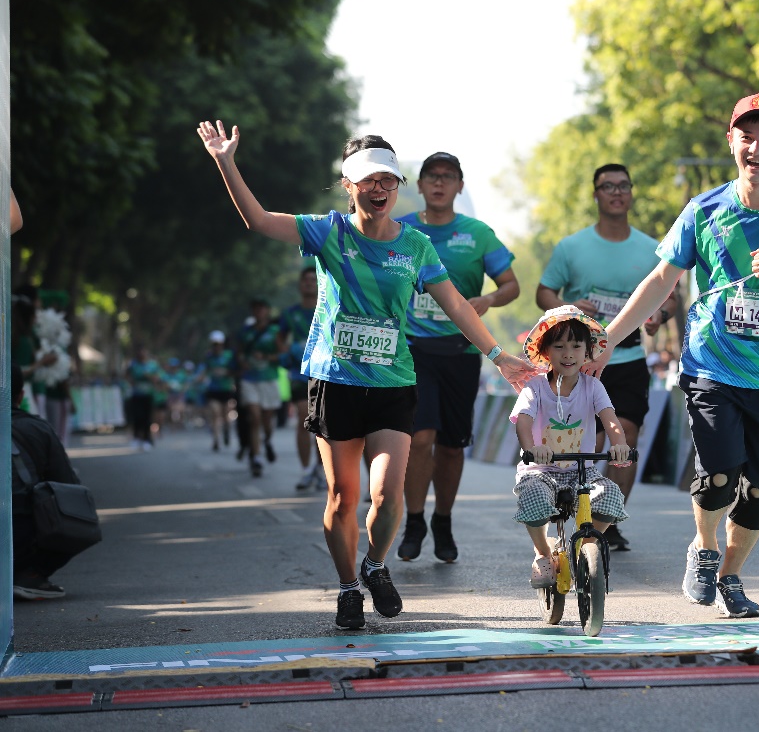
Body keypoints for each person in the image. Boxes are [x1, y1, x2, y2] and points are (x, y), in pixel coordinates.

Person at [197, 119, 535, 630]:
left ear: (398, 187)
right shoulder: (326, 232)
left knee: (387, 495)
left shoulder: (416, 246)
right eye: (368, 180)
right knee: (342, 497)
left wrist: (497, 354)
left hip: (393, 383)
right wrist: (226, 162)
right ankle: (348, 586)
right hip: (335, 382)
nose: (379, 189)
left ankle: (375, 565)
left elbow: (458, 306)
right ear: (349, 185)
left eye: (388, 179)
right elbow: (260, 220)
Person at [587, 92, 759, 617]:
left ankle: (732, 577)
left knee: (757, 495)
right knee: (717, 476)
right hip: (711, 364)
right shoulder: (703, 209)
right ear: (730, 142)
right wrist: (609, 338)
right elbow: (661, 278)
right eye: (747, 137)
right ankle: (706, 548)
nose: (756, 148)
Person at [536, 163, 677, 551]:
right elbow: (543, 293)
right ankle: (570, 512)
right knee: (580, 442)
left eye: (623, 186)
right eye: (607, 186)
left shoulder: (652, 248)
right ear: (596, 194)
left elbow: (670, 296)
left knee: (624, 441)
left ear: (631, 193)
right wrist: (566, 305)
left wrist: (658, 316)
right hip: (577, 364)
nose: (616, 192)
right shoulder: (571, 247)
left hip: (629, 359)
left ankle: (606, 522)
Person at [396, 152, 520, 563]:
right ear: (420, 184)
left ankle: (442, 520)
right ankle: (414, 519)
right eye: (432, 176)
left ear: (460, 186)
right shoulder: (401, 229)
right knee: (420, 437)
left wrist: (486, 299)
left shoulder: (477, 233)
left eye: (448, 177)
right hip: (413, 349)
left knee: (451, 445)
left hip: (462, 351)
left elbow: (511, 285)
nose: (439, 183)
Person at [511, 306, 630, 587]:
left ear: (588, 352)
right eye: (560, 346)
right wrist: (532, 448)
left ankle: (587, 545)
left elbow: (610, 420)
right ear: (545, 352)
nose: (568, 354)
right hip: (541, 469)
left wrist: (620, 444)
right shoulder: (535, 387)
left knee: (610, 494)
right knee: (535, 497)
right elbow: (524, 422)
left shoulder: (593, 386)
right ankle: (542, 553)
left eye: (576, 346)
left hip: (581, 470)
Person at [10, 367, 86, 600]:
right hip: (19, 538)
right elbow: (69, 485)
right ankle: (31, 574)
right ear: (21, 396)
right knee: (78, 514)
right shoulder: (37, 428)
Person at [281, 267, 325, 491]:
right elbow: (279, 339)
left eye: (312, 279)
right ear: (300, 285)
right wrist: (287, 350)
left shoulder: (327, 308)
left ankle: (320, 468)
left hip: (324, 371)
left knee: (321, 422)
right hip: (298, 373)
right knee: (302, 417)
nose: (309, 283)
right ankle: (306, 469)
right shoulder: (290, 314)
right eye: (305, 280)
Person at [237, 298, 282, 476]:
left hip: (269, 379)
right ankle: (256, 458)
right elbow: (239, 353)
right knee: (254, 417)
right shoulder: (245, 332)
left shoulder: (275, 331)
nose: (259, 312)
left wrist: (266, 356)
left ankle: (267, 440)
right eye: (255, 308)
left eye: (262, 308)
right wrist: (242, 361)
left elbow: (282, 353)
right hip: (249, 379)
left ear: (267, 311)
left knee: (266, 420)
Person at [203, 330, 238, 452]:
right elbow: (204, 371)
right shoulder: (208, 357)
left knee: (225, 415)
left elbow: (235, 370)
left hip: (226, 390)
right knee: (215, 413)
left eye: (218, 344)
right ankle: (216, 440)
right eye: (214, 344)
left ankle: (226, 431)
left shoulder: (229, 356)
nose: (216, 347)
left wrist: (226, 373)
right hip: (213, 390)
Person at [125, 344, 160, 450]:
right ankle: (136, 438)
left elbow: (157, 378)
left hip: (149, 395)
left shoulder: (152, 365)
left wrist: (148, 376)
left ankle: (147, 439)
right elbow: (126, 375)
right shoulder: (133, 364)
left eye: (143, 351)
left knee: (147, 418)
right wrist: (131, 383)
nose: (141, 354)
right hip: (136, 395)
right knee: (137, 417)